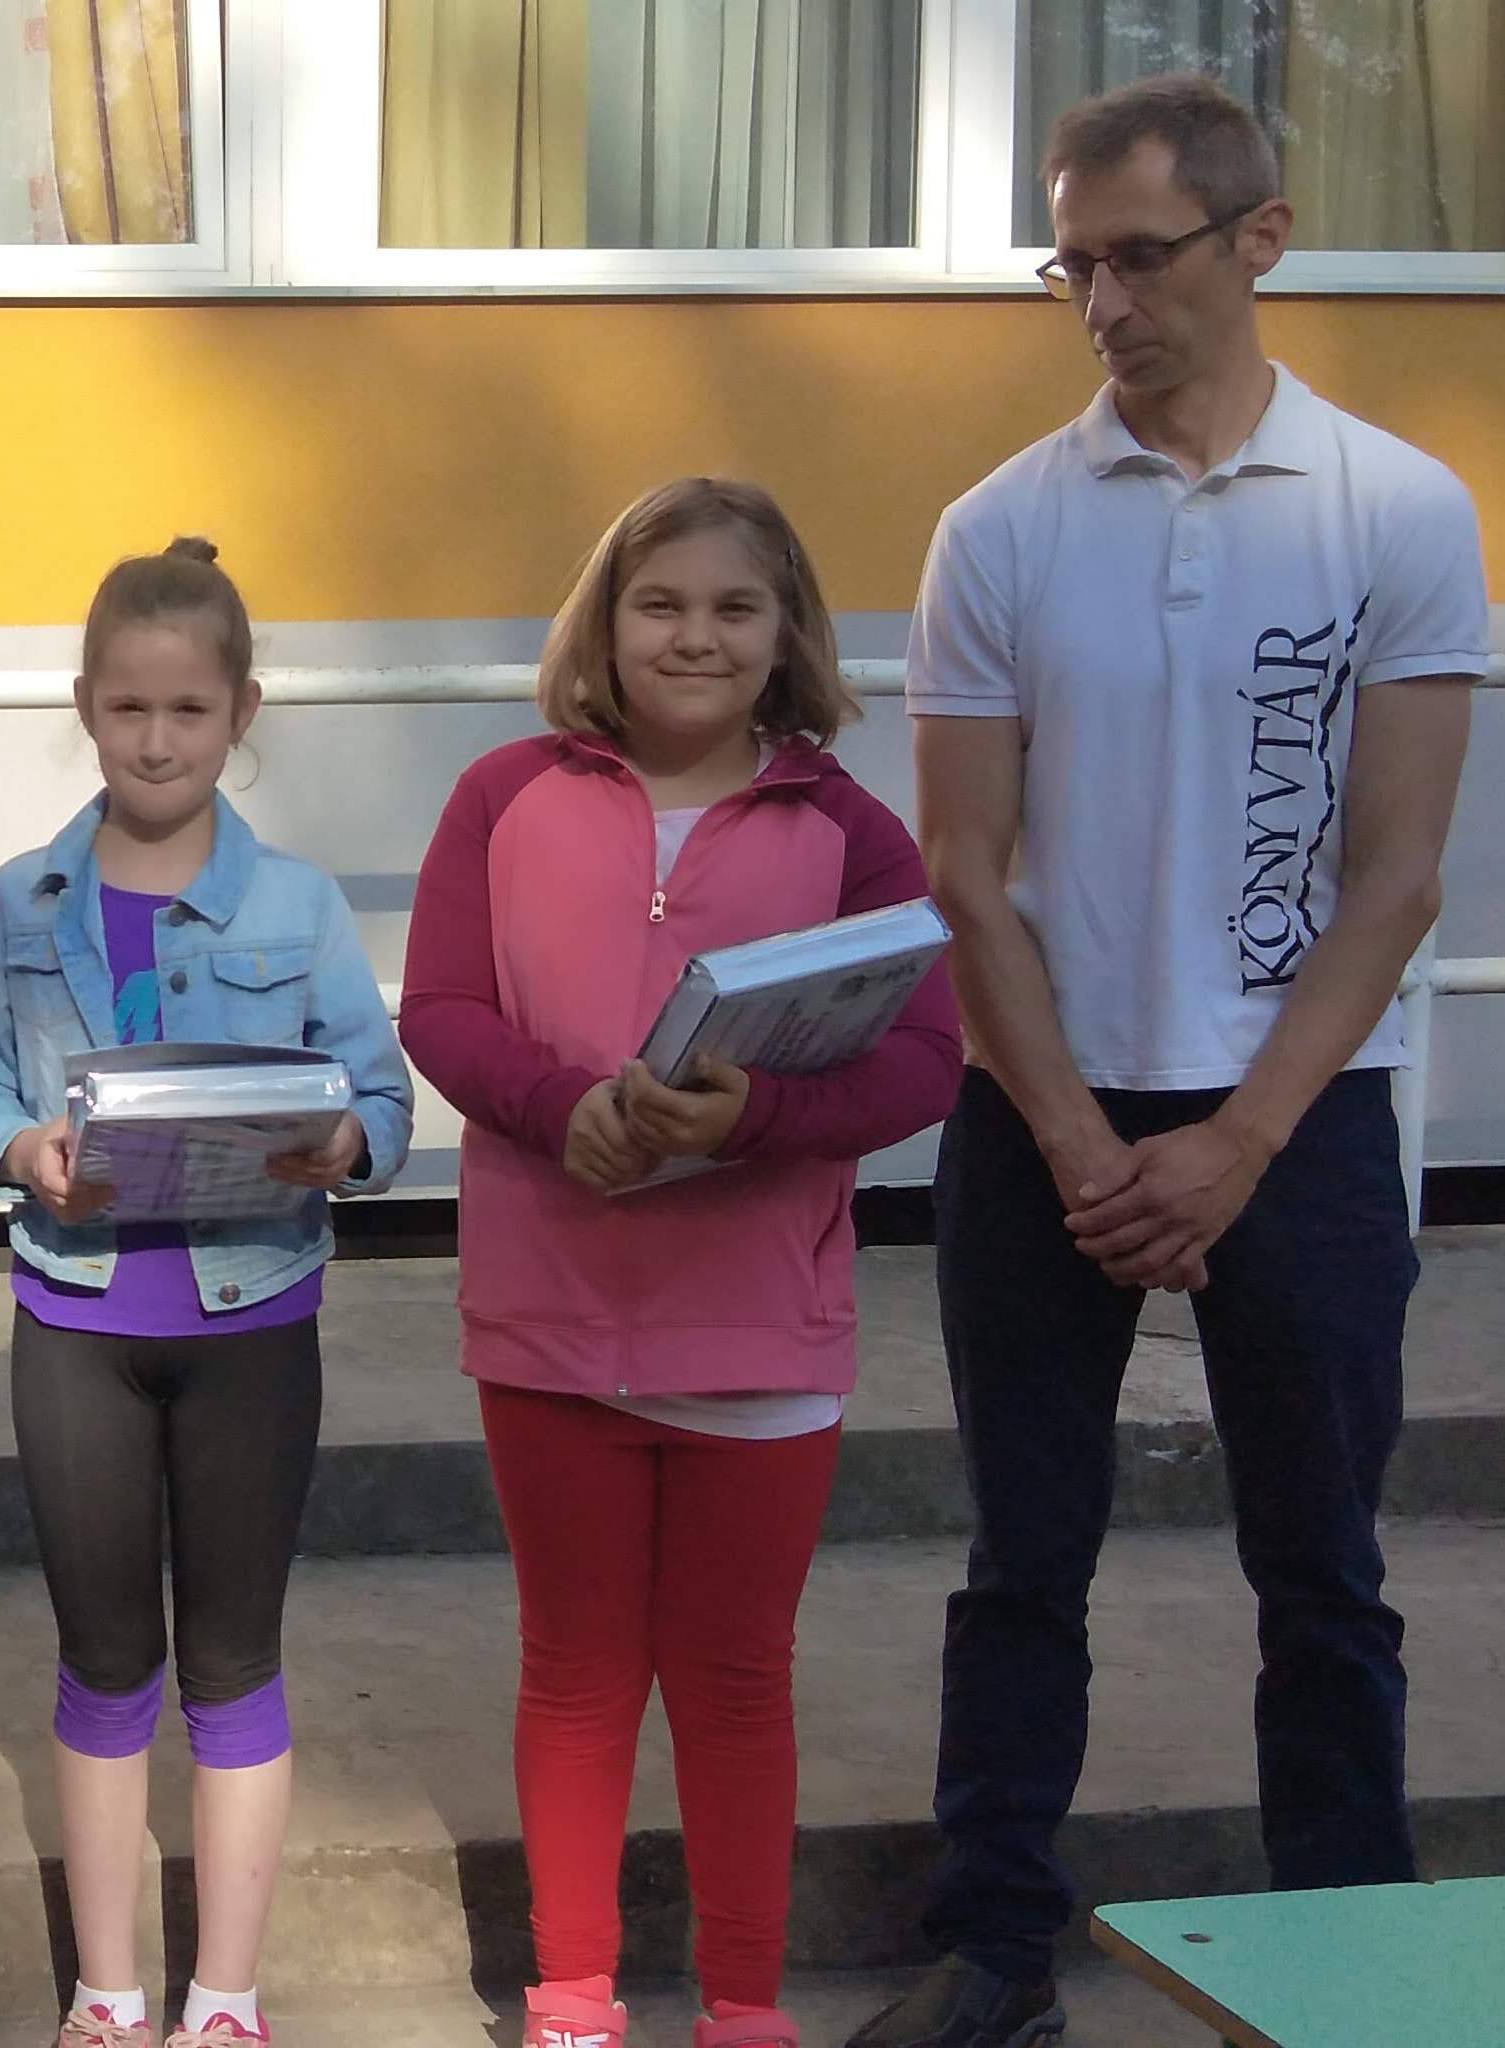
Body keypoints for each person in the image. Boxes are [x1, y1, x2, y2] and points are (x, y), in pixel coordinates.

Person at [845, 76, 1483, 2048]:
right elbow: (964, 868)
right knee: (1021, 1562)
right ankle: (995, 1955)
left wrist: (1238, 1139)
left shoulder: (1398, 508)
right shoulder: (1000, 528)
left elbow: (1395, 875)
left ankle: (1346, 1972)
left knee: (1325, 1571)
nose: (1104, 305)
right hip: (1042, 1106)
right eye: (1073, 267)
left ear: (1258, 238)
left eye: (1138, 257)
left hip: (1303, 1111)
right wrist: (1070, 1136)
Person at [402, 480, 962, 2048]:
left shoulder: (852, 832)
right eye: (660, 604)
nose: (694, 636)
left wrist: (755, 1116)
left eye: (733, 607)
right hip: (551, 1318)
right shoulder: (502, 795)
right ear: (606, 622)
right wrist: (559, 1108)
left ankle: (744, 2007)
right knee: (576, 1674)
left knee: (732, 1681)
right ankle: (572, 1995)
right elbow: (442, 1009)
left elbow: (925, 1058)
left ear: (787, 631)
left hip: (760, 1329)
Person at [0, 538, 414, 2048]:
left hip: (252, 1324)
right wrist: (20, 1150)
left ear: (241, 713)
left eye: (191, 711)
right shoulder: (20, 906)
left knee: (233, 1662)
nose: (157, 741)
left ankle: (225, 1998)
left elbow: (380, 1096)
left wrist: (346, 1142)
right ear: (86, 705)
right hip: (78, 1323)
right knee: (103, 1664)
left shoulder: (299, 904)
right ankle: (109, 1991)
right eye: (129, 708)